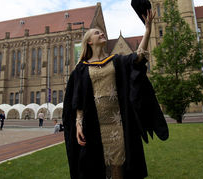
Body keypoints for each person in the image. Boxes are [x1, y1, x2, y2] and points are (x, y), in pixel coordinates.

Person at [63, 9, 169, 179]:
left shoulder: (116, 61)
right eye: (97, 33)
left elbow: (138, 58)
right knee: (95, 166)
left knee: (119, 167)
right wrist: (78, 123)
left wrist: (147, 30)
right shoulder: (81, 68)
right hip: (94, 125)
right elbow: (78, 99)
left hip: (118, 123)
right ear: (89, 42)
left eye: (101, 31)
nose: (101, 33)